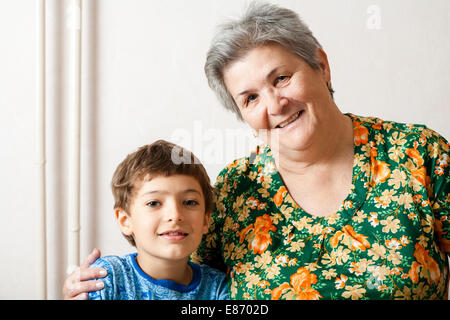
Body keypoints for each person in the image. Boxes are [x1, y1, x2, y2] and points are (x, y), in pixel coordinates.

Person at [64, 2, 449, 300]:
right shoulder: (233, 191)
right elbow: (184, 284)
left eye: (281, 78)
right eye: (250, 98)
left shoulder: (420, 154)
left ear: (321, 65)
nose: (274, 105)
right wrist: (90, 288)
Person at [84, 140, 229, 300]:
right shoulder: (106, 277)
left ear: (205, 220)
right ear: (126, 221)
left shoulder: (218, 288)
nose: (175, 215)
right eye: (154, 203)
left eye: (189, 202)